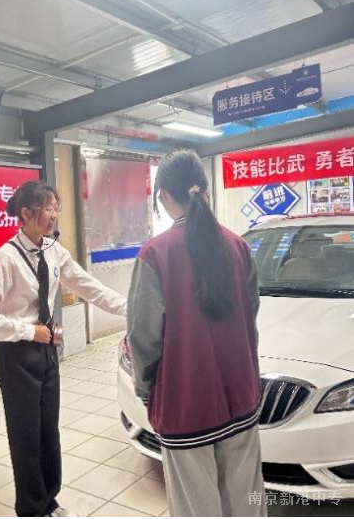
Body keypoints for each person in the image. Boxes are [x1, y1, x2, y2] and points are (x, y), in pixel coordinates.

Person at [0, 180, 127, 518]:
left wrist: (130, 308)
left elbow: (88, 286)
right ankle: (31, 508)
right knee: (25, 433)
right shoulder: (5, 259)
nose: (54, 214)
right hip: (16, 355)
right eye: (48, 208)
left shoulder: (55, 252)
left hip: (46, 350)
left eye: (56, 207)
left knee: (48, 429)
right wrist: (29, 331)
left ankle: (50, 500)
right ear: (26, 213)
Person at [127, 150, 266, 517]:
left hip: (185, 404)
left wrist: (146, 391)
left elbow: (143, 338)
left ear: (163, 196)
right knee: (247, 502)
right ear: (204, 191)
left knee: (196, 508)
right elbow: (250, 318)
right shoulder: (239, 247)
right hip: (241, 396)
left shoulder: (155, 255)